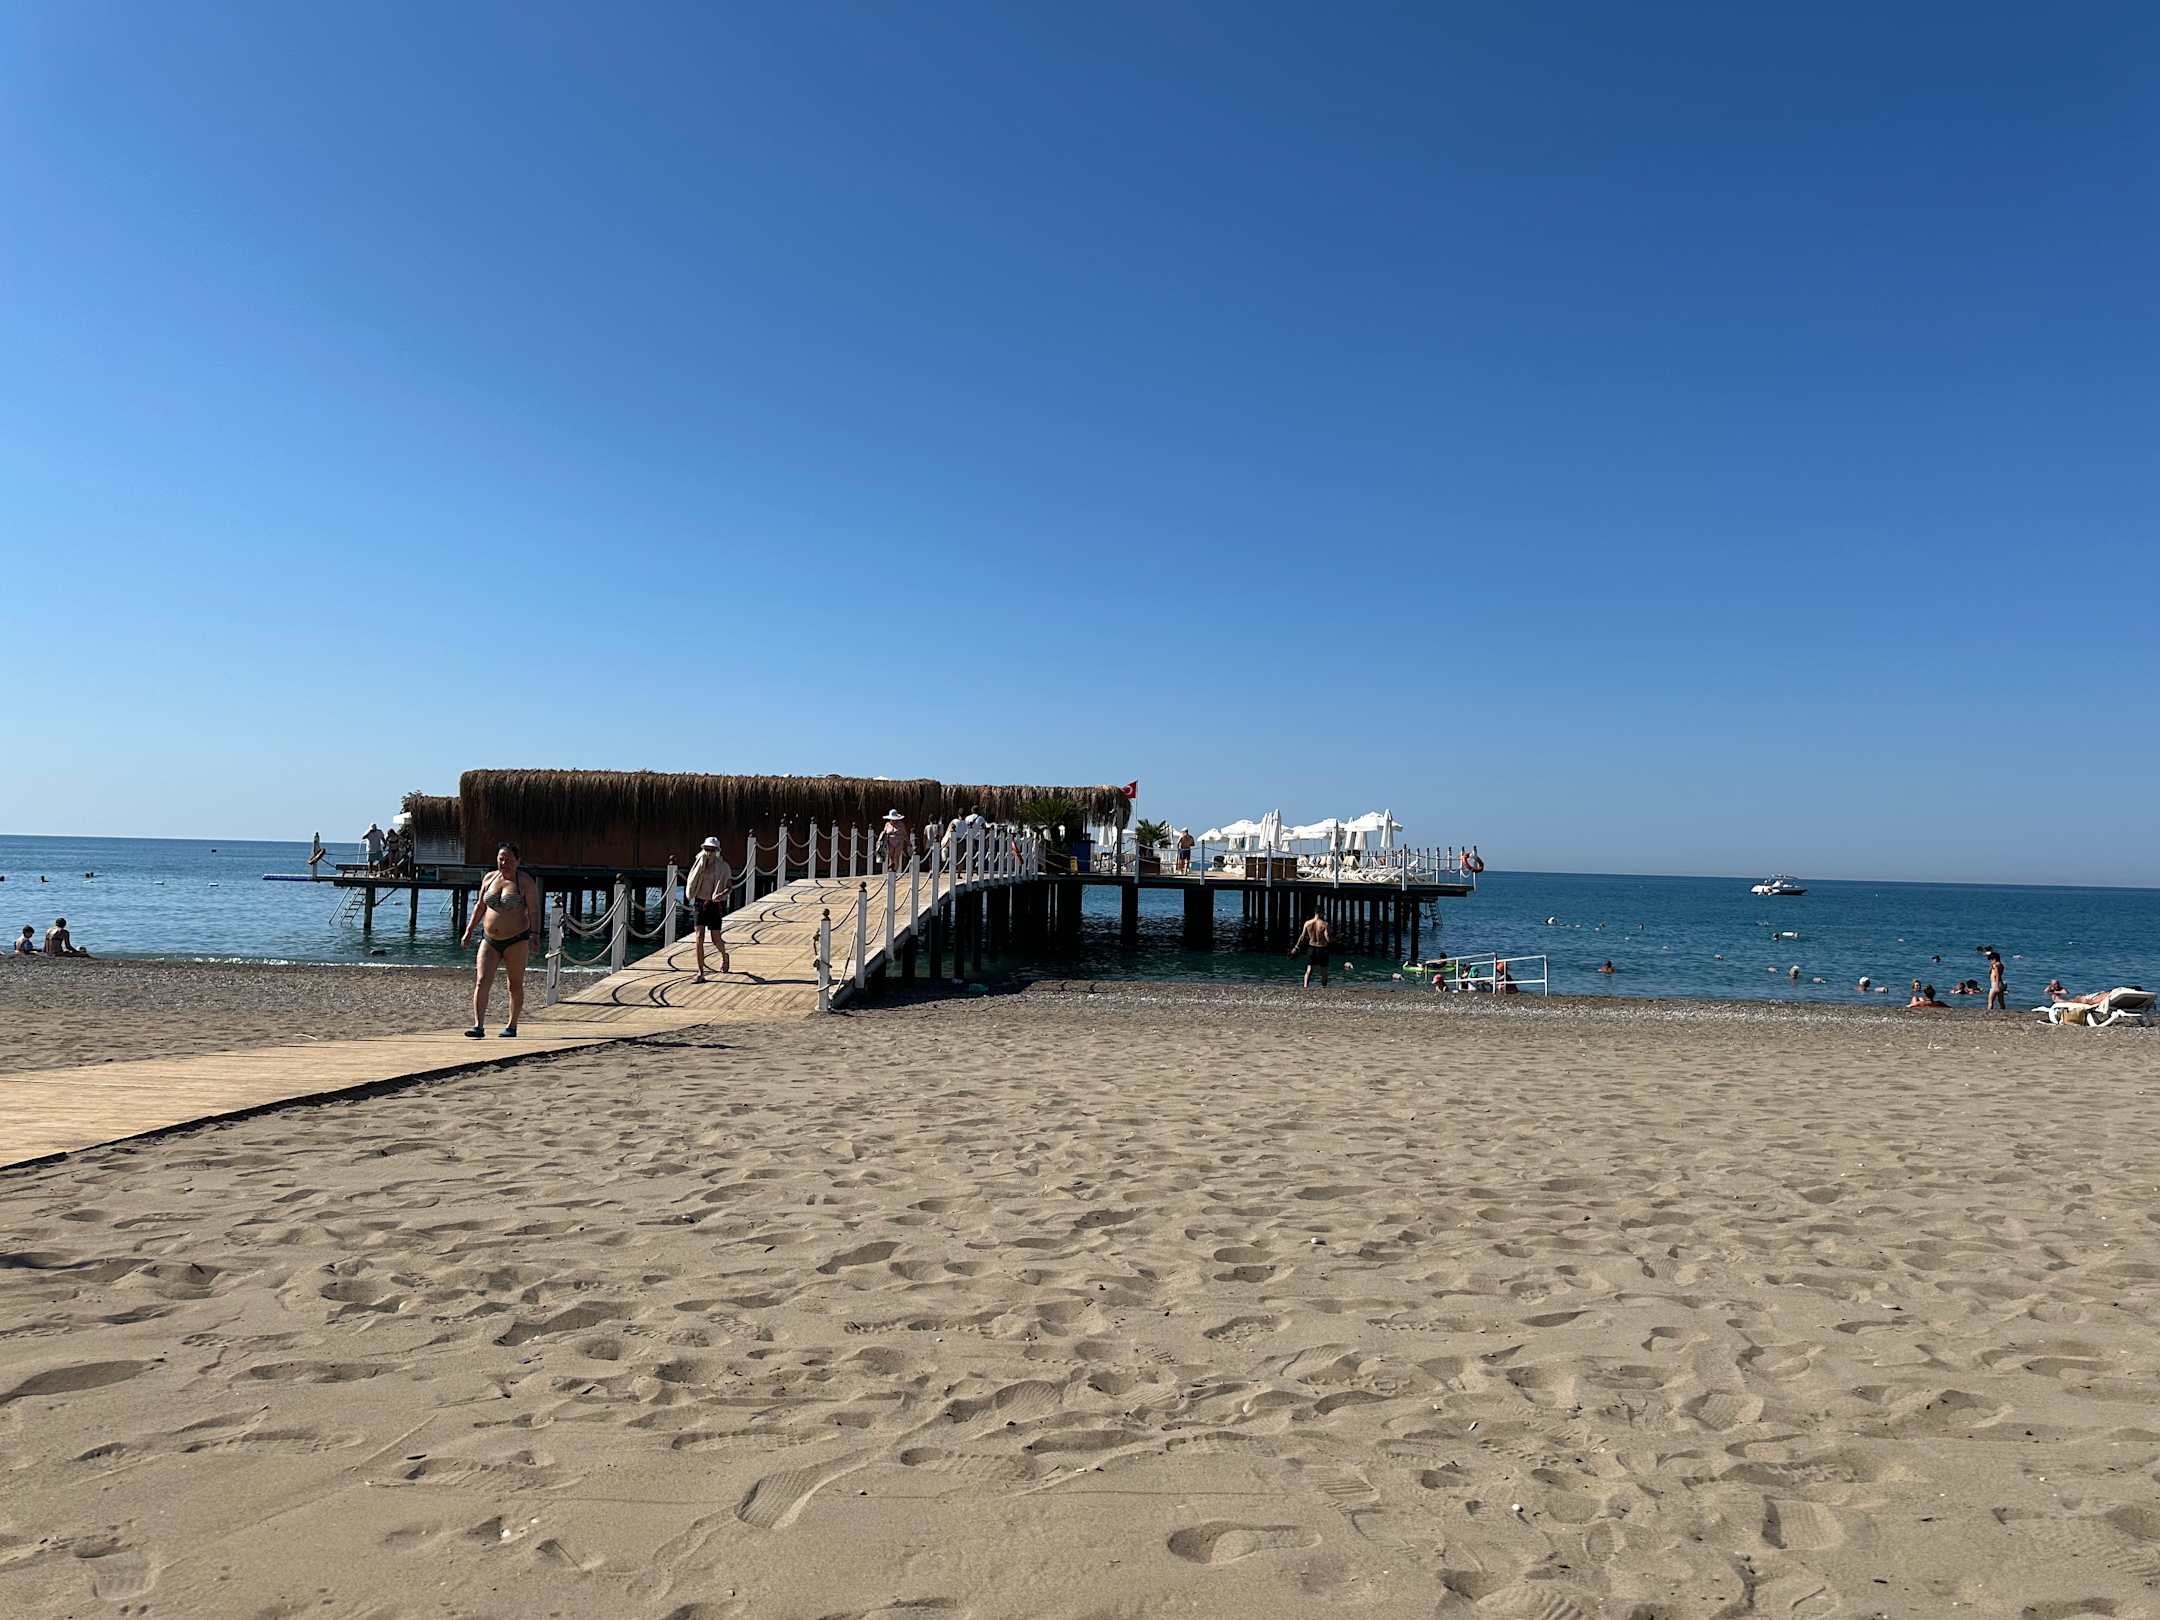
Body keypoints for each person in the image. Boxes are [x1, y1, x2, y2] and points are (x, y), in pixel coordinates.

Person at [461, 843, 541, 1038]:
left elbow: (534, 911)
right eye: (501, 859)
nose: (504, 863)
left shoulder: (525, 882)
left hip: (516, 939)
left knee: (514, 984)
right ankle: (478, 1026)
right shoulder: (489, 878)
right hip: (489, 939)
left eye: (508, 859)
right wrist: (469, 931)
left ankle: (512, 1025)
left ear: (518, 861)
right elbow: (480, 906)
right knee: (482, 980)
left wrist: (535, 934)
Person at [684, 835, 733, 982]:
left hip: (715, 905)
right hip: (700, 902)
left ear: (717, 851)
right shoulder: (699, 864)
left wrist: (722, 894)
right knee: (699, 937)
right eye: (707, 849)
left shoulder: (723, 867)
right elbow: (692, 881)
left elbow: (729, 886)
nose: (709, 852)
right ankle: (700, 972)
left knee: (715, 938)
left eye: (712, 850)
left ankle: (725, 955)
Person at [1292, 904, 1332, 988]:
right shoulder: (1325, 924)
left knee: (1309, 969)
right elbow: (1327, 938)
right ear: (1321, 913)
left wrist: (1296, 947)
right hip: (1322, 948)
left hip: (1311, 948)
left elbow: (1302, 937)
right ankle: (1324, 988)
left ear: (1315, 913)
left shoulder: (1307, 923)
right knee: (1324, 970)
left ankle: (1305, 987)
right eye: (1324, 913)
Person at [1979, 945, 2007, 1010]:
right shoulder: (2001, 965)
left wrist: (1996, 986)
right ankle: (2003, 1011)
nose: (1990, 961)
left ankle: (1989, 1012)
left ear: (1994, 959)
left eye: (1991, 960)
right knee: (2001, 1002)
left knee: (1990, 1002)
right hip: (2001, 983)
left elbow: (1997, 975)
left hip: (1995, 984)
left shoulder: (1995, 965)